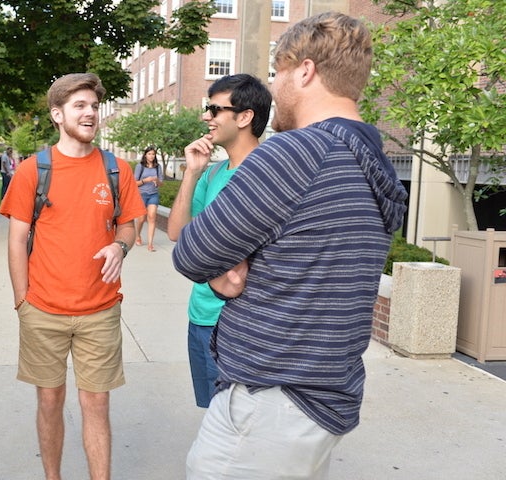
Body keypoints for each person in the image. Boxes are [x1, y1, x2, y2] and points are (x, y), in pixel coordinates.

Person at [172, 12, 408, 479]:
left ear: (305, 70)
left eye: (277, 73)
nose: (274, 88)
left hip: (269, 403)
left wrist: (235, 265)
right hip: (321, 397)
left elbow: (191, 252)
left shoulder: (298, 151)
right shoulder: (372, 160)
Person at [0, 73, 145, 480]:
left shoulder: (117, 169)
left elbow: (129, 224)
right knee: (49, 400)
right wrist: (21, 300)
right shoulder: (33, 170)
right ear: (57, 114)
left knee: (96, 404)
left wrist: (120, 245)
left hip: (100, 309)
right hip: (43, 309)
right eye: (79, 106)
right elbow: (17, 239)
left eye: (94, 106)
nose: (90, 113)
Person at [166, 73, 271, 408]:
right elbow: (177, 234)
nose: (206, 117)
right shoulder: (213, 173)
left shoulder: (268, 174)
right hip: (200, 316)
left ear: (244, 117)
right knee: (215, 415)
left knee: (236, 422)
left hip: (240, 324)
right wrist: (192, 172)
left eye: (215, 109)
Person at [133, 146, 163, 252]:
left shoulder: (157, 167)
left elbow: (161, 183)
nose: (151, 156)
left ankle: (150, 244)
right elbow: (134, 183)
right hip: (141, 195)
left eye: (153, 154)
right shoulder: (139, 167)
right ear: (145, 155)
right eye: (149, 154)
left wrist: (156, 181)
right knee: (141, 219)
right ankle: (137, 236)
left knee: (152, 217)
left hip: (153, 195)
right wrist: (146, 180)